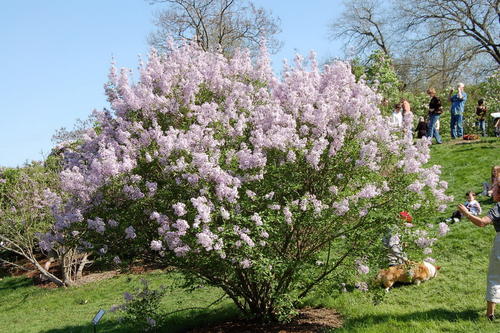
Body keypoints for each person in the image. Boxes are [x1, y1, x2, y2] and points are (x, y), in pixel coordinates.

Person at [458, 175, 500, 321]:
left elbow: (482, 222)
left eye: (494, 190)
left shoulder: (499, 207)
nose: (491, 192)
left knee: (495, 278)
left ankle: (490, 315)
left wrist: (467, 213)